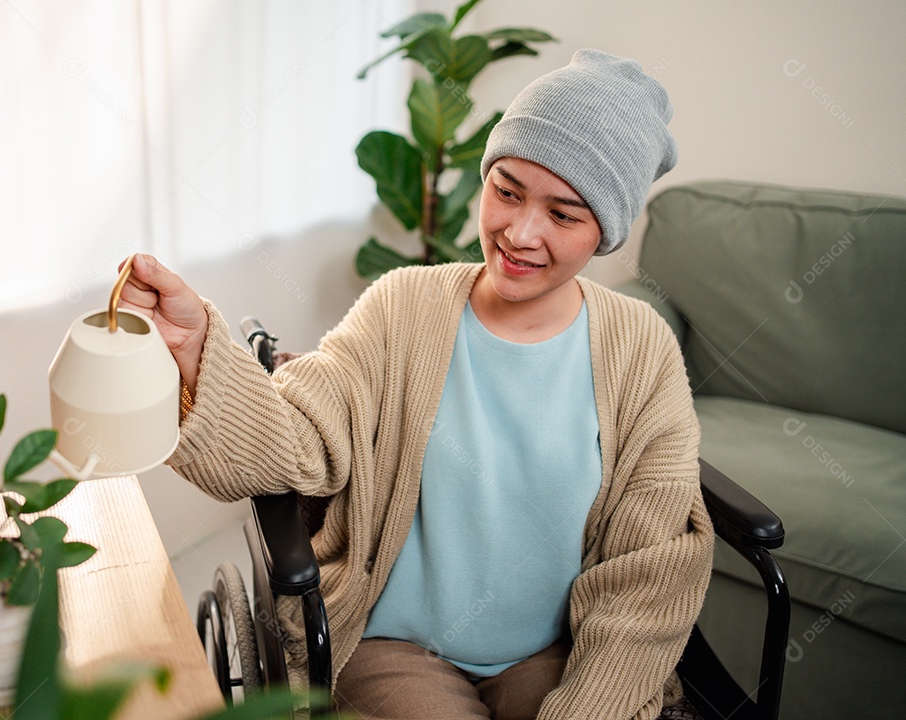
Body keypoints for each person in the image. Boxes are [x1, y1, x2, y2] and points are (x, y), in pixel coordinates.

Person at [120, 49, 714, 720]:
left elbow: (652, 564)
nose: (520, 233)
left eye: (564, 214)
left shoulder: (641, 350)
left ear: (604, 230)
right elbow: (300, 432)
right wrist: (199, 350)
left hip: (554, 649)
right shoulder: (405, 306)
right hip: (394, 645)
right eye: (507, 190)